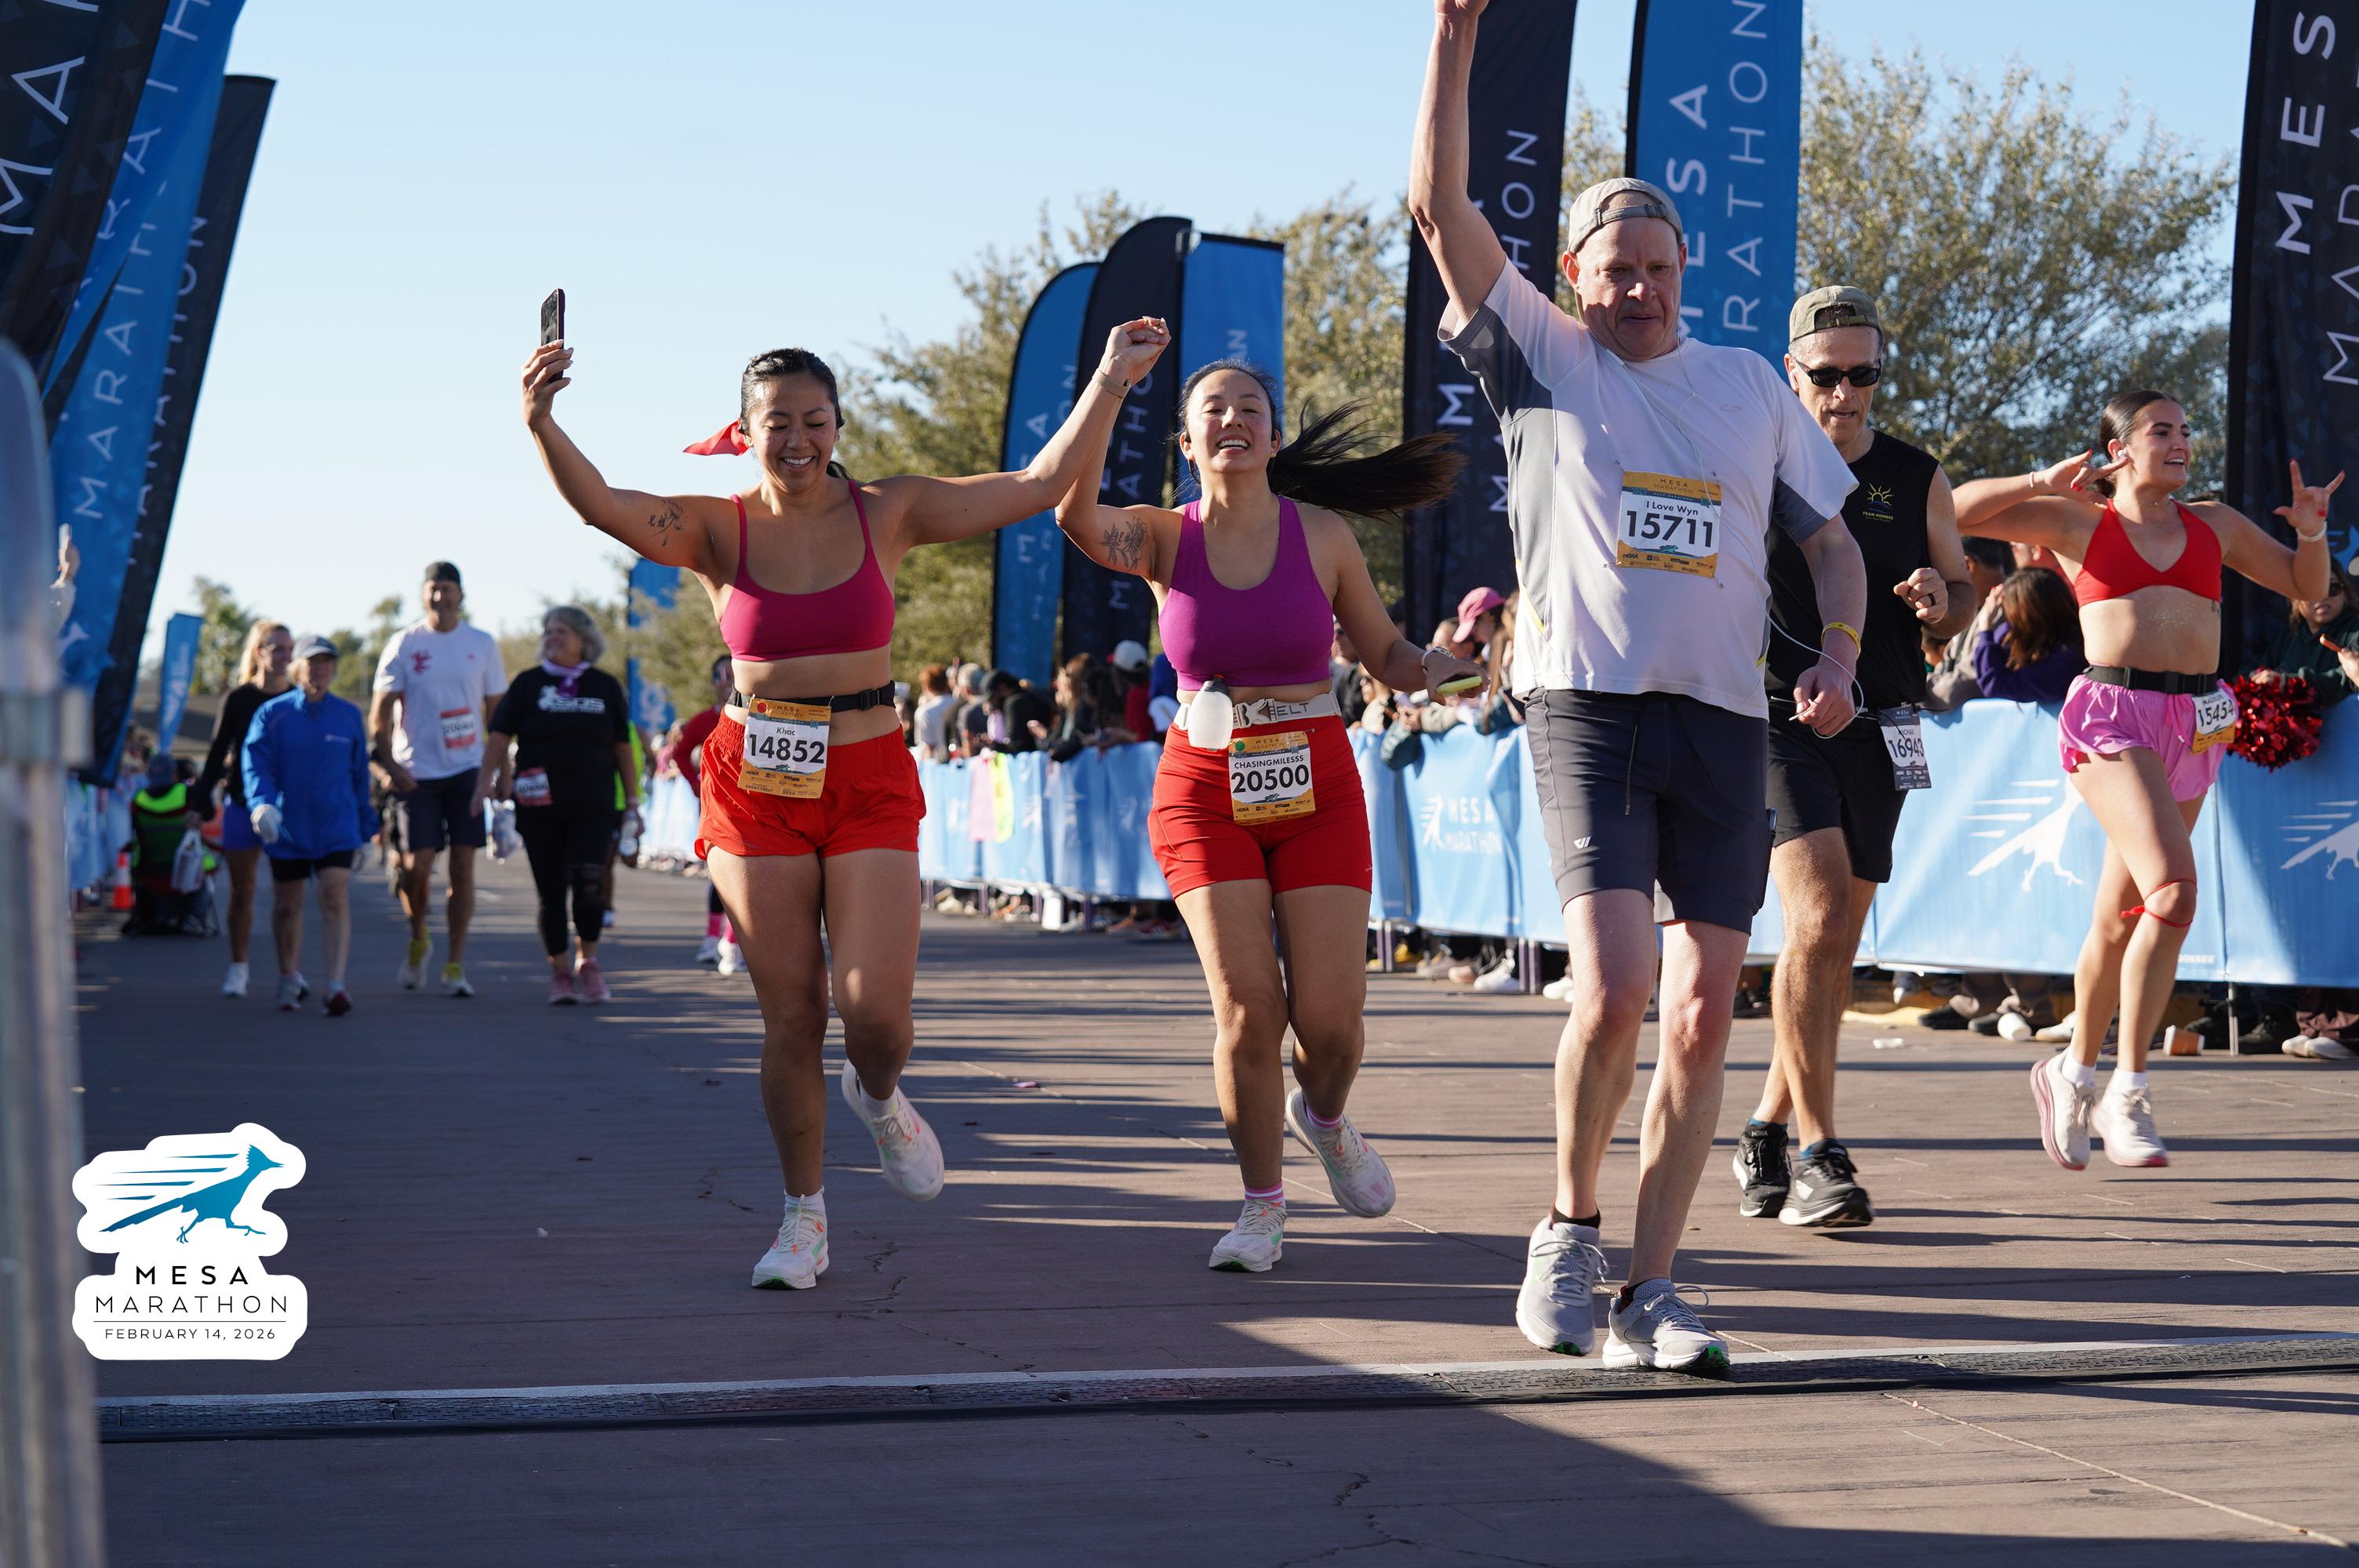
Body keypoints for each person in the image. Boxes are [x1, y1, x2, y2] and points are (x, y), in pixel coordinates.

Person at [522, 314, 1172, 1290]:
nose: (796, 438)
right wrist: (541, 421)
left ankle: (878, 1095)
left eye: (813, 420)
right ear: (746, 431)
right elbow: (603, 505)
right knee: (792, 1011)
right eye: (776, 422)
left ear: (837, 425)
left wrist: (1112, 379)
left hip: (866, 773)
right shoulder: (715, 526)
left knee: (875, 1019)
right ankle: (804, 1217)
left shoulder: (889, 509)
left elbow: (1039, 483)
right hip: (757, 780)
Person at [1412, 0, 1868, 1376]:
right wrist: (1452, 41)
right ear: (1574, 276)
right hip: (1587, 708)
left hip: (1722, 724)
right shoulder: (1544, 357)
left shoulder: (1749, 386)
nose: (1641, 290)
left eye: (1660, 270)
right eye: (1617, 270)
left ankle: (1654, 1292)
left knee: (1700, 1015)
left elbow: (1831, 543)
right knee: (1612, 992)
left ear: (1685, 273)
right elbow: (1439, 210)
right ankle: (1566, 1232)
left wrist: (1839, 655)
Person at [1053, 350, 1477, 1272]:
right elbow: (1072, 513)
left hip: (1315, 781)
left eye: (1250, 407)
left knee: (1330, 1021)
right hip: (1202, 787)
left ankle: (1322, 1116)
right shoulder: (1159, 537)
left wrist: (1440, 667)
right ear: (1185, 440)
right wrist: (1110, 386)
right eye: (1212, 408)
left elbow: (1387, 655)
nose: (1232, 419)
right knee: (1248, 1012)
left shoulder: (1321, 535)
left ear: (1275, 437)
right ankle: (1261, 1205)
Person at [1955, 390, 2338, 1170]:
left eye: (2185, 430)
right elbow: (1955, 509)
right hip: (2112, 715)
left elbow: (2304, 585)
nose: (2181, 441)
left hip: (2194, 721)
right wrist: (2037, 480)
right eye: (2162, 430)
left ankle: (2070, 1073)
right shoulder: (2078, 521)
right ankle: (2126, 1091)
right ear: (2119, 449)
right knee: (2173, 893)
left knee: (2117, 918)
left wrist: (2310, 533)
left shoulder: (2214, 524)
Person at [1733, 285, 1974, 1231]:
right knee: (1821, 915)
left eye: (1862, 373)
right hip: (1776, 716)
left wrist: (1939, 599)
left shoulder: (1915, 475)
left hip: (1887, 722)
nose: (1844, 393)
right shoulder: (1750, 459)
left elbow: (1960, 589)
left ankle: (1762, 1124)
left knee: (1831, 945)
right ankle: (1817, 1154)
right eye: (1825, 375)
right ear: (1791, 371)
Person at [474, 606, 638, 1004]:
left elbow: (623, 747)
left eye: (562, 631)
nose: (552, 637)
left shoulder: (604, 686)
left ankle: (589, 962)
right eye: (548, 631)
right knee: (551, 892)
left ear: (584, 639)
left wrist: (633, 802)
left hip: (593, 806)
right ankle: (560, 972)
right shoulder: (528, 684)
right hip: (538, 807)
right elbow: (499, 737)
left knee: (589, 884)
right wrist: (482, 787)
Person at [370, 562, 507, 998]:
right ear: (422, 594)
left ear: (461, 595)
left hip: (467, 771)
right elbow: (379, 715)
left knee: (463, 869)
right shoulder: (404, 643)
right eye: (433, 589)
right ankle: (419, 939)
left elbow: (498, 716)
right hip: (417, 773)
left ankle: (455, 964)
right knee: (417, 870)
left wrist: (501, 771)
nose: (439, 598)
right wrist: (391, 767)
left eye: (447, 589)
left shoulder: (481, 644)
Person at [243, 634, 375, 1015]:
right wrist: (262, 804)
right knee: (288, 903)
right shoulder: (273, 714)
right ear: (297, 668)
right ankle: (289, 977)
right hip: (289, 827)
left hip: (337, 825)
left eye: (326, 662)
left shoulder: (348, 715)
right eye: (313, 662)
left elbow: (359, 775)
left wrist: (366, 830)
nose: (320, 670)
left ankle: (336, 986)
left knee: (334, 895)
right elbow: (256, 765)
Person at [195, 620, 294, 996]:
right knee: (243, 891)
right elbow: (217, 752)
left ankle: (289, 974)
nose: (285, 657)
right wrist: (199, 801)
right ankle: (239, 967)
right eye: (278, 649)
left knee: (289, 897)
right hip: (242, 804)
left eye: (289, 650)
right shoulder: (238, 698)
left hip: (287, 809)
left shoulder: (298, 698)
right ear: (259, 652)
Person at [672, 654, 740, 967]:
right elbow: (680, 754)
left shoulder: (762, 717)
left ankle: (733, 944)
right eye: (723, 676)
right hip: (716, 812)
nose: (729, 682)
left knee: (748, 880)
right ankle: (713, 939)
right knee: (721, 877)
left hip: (755, 812)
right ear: (714, 683)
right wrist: (696, 785)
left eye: (734, 674)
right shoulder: (703, 721)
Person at [1923, 537, 2016, 710]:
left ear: (1966, 565)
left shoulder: (2007, 607)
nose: (1941, 583)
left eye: (1940, 573)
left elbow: (1955, 691)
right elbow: (1947, 669)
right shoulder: (1979, 608)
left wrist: (1913, 687)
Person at [2252, 557, 2359, 703]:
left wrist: (2288, 683)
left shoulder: (2355, 631)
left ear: (2345, 594)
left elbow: (2350, 677)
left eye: (2333, 588)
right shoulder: (2288, 638)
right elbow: (2255, 670)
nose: (2323, 596)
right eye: (2312, 590)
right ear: (2295, 599)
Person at [1970, 567, 2084, 702]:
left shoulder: (2066, 659)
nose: (2009, 622)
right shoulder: (2022, 637)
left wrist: (1985, 629)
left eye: (2012, 613)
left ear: (2030, 616)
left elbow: (1995, 685)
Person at [913, 664, 958, 759]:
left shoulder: (924, 711)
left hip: (937, 761)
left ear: (926, 686)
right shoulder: (958, 704)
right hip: (959, 758)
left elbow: (928, 747)